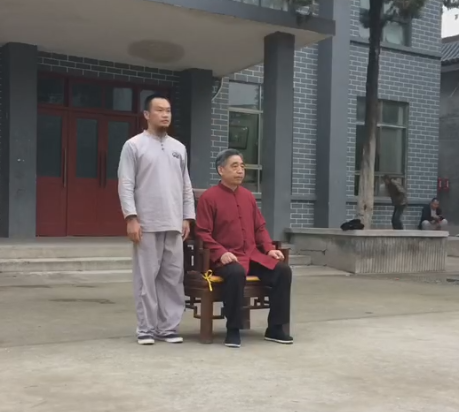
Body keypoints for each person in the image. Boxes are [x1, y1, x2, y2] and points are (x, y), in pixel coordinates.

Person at [195, 149, 293, 348]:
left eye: (242, 166)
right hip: (224, 259)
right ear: (221, 170)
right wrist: (221, 253)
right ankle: (233, 329)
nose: (240, 170)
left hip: (251, 255)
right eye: (234, 166)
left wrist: (268, 249)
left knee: (283, 271)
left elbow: (260, 228)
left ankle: (275, 328)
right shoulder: (209, 198)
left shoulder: (248, 197)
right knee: (235, 273)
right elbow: (202, 232)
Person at [118, 93, 195, 346]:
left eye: (168, 111)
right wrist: (131, 217)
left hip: (174, 222)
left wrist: (187, 217)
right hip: (146, 222)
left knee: (173, 277)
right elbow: (125, 183)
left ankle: (168, 328)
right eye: (159, 110)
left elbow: (185, 185)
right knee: (146, 278)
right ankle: (146, 328)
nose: (165, 115)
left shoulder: (178, 148)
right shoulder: (134, 145)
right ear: (147, 115)